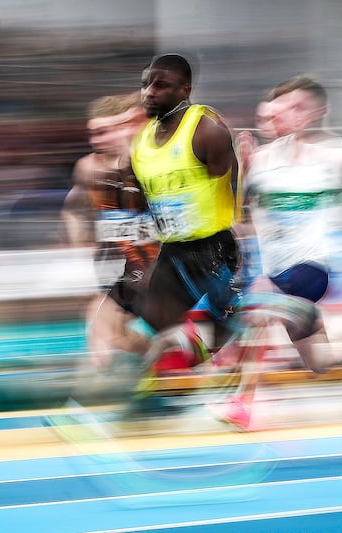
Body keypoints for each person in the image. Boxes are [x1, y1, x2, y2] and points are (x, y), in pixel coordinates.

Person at [210, 74, 342, 430]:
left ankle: (242, 402)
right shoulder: (262, 160)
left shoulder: (335, 155)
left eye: (295, 108)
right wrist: (244, 170)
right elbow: (244, 215)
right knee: (320, 361)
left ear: (314, 113)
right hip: (278, 269)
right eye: (278, 110)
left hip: (315, 265)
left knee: (259, 301)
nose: (283, 116)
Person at [123, 53, 241, 394]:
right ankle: (193, 358)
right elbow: (146, 200)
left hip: (214, 247)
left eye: (161, 85)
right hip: (175, 248)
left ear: (185, 89)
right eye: (145, 84)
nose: (149, 92)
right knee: (152, 316)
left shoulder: (207, 130)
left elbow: (232, 182)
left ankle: (233, 387)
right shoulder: (142, 142)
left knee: (229, 330)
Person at [61, 93, 159, 370]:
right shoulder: (87, 168)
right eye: (92, 133)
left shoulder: (147, 164)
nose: (96, 140)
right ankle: (164, 356)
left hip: (154, 271)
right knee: (115, 338)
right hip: (113, 269)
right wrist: (78, 240)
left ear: (124, 127)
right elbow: (73, 209)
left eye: (104, 132)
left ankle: (90, 402)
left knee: (100, 327)